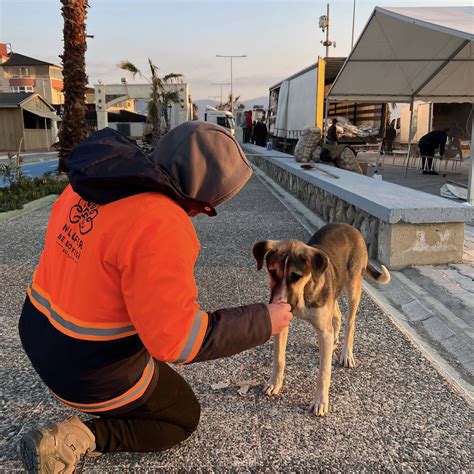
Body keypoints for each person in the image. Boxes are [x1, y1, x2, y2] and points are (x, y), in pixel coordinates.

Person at [18, 122, 293, 472]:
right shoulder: (160, 221)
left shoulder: (90, 183)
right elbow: (176, 342)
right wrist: (262, 320)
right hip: (83, 370)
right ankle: (78, 438)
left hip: (37, 332)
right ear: (200, 198)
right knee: (181, 416)